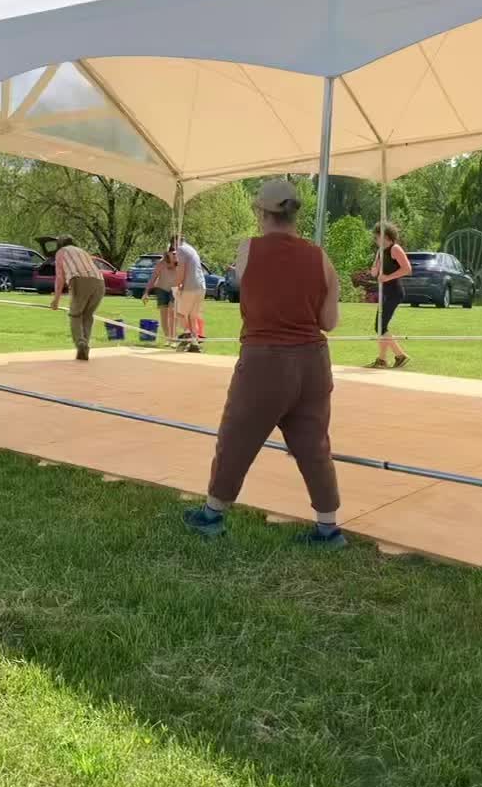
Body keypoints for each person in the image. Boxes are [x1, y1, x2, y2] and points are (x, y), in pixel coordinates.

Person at [184, 178, 345, 547]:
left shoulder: (248, 250)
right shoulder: (320, 257)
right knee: (314, 446)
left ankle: (212, 514)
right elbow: (329, 322)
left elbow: (245, 287)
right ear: (294, 214)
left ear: (260, 212)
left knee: (237, 437)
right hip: (313, 364)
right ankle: (328, 527)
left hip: (264, 361)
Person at [50, 236, 105, 360]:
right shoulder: (82, 251)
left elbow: (60, 278)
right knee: (87, 315)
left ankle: (81, 343)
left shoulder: (61, 252)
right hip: (100, 282)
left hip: (79, 280)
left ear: (60, 245)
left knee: (75, 314)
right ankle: (85, 344)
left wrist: (56, 300)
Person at [367, 222, 412, 368]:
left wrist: (387, 277)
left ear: (385, 236)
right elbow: (375, 272)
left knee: (380, 326)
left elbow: (407, 269)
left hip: (394, 292)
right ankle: (382, 359)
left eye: (377, 236)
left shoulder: (395, 249)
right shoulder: (381, 251)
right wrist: (374, 270)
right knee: (381, 326)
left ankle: (400, 355)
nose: (375, 239)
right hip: (385, 292)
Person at [173, 236, 206, 353]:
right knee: (192, 316)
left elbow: (181, 270)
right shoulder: (191, 249)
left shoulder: (181, 250)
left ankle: (187, 335)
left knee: (180, 313)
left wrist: (176, 286)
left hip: (190, 287)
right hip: (201, 286)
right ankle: (194, 342)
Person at [142, 243, 179, 342]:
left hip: (174, 289)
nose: (174, 255)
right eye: (172, 253)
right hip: (162, 289)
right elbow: (153, 278)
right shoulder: (161, 263)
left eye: (176, 253)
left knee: (173, 313)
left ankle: (173, 336)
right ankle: (168, 338)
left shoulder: (179, 263)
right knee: (164, 315)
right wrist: (146, 292)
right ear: (168, 253)